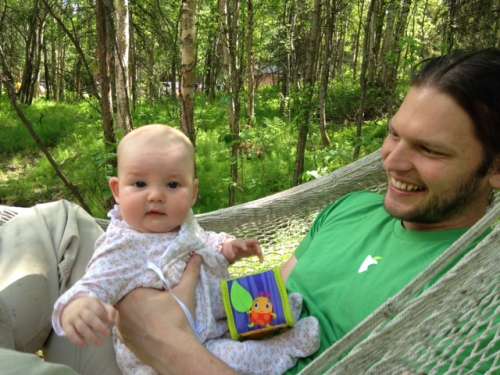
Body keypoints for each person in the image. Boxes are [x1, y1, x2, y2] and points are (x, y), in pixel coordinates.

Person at [0, 48, 498, 375]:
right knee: (60, 225)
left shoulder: (477, 294)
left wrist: (168, 345)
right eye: (394, 134)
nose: (392, 160)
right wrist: (180, 290)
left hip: (200, 362)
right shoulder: (354, 209)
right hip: (166, 332)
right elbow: (267, 296)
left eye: (429, 151)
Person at [51, 124, 319, 375]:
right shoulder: (122, 246)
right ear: (117, 190)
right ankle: (282, 350)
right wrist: (78, 306)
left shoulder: (182, 224)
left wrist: (227, 248)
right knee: (231, 356)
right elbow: (95, 283)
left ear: (193, 193)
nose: (155, 195)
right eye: (140, 184)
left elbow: (204, 240)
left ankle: (272, 322)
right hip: (165, 358)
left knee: (253, 309)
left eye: (172, 185)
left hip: (212, 322)